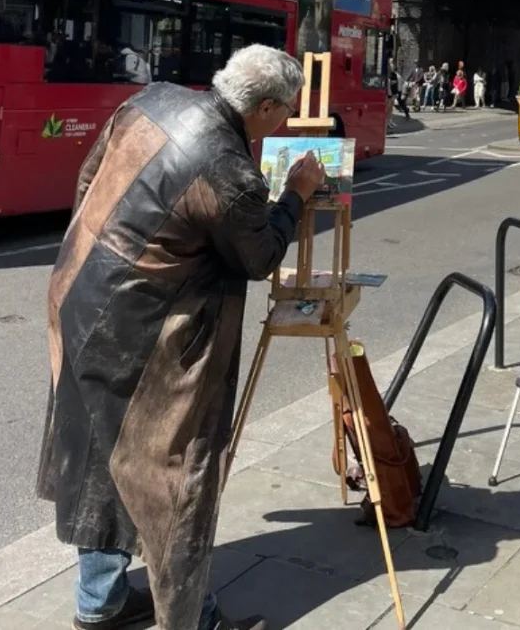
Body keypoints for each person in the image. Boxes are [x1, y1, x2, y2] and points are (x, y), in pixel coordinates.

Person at [37, 45, 326, 630]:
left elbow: (89, 177)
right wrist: (296, 193)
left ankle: (99, 602)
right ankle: (194, 619)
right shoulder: (230, 171)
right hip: (143, 332)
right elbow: (258, 256)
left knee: (98, 454)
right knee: (174, 473)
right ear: (265, 107)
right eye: (285, 110)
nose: (285, 121)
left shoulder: (153, 100)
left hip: (82, 293)